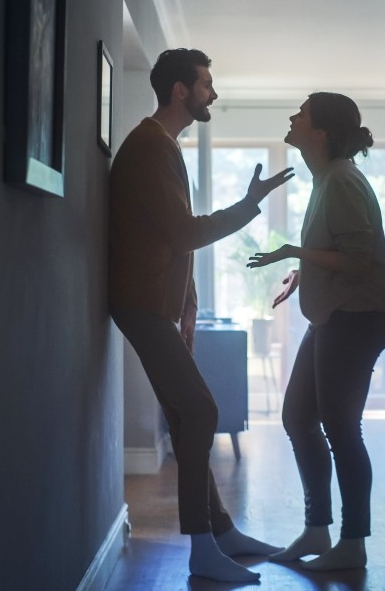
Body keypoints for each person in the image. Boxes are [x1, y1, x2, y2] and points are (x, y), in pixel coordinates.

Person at [108, 48, 293, 582]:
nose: (213, 93)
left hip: (153, 306)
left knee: (189, 415)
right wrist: (249, 203)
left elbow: (172, 238)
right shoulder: (149, 148)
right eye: (207, 84)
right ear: (180, 91)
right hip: (140, 305)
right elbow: (185, 234)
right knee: (203, 412)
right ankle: (203, 551)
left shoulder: (163, 146)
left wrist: (187, 307)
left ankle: (223, 532)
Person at [247, 92, 385, 571]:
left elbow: (357, 261)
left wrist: (294, 253)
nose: (292, 117)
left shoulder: (342, 181)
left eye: (302, 113)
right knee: (297, 418)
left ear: (321, 131)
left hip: (356, 319)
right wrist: (305, 273)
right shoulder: (327, 179)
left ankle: (352, 544)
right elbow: (340, 254)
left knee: (339, 427)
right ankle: (317, 530)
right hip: (336, 316)